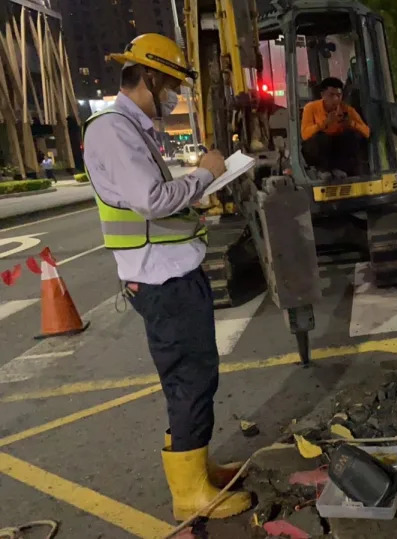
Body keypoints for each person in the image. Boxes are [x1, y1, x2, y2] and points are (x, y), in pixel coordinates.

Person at [85, 33, 251, 521]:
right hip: (162, 282)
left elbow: (153, 196)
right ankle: (190, 494)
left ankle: (198, 467)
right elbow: (151, 200)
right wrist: (204, 174)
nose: (176, 95)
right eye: (173, 84)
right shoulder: (113, 129)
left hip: (170, 275)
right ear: (151, 77)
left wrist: (195, 183)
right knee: (189, 381)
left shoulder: (132, 128)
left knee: (195, 377)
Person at [300, 77, 370, 178]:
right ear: (323, 95)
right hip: (317, 150)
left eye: (339, 95)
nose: (336, 99)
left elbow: (367, 132)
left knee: (350, 136)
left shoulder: (347, 110)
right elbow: (305, 134)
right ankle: (322, 170)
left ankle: (340, 169)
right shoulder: (311, 108)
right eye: (331, 95)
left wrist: (351, 124)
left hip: (336, 150)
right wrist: (324, 124)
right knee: (321, 138)